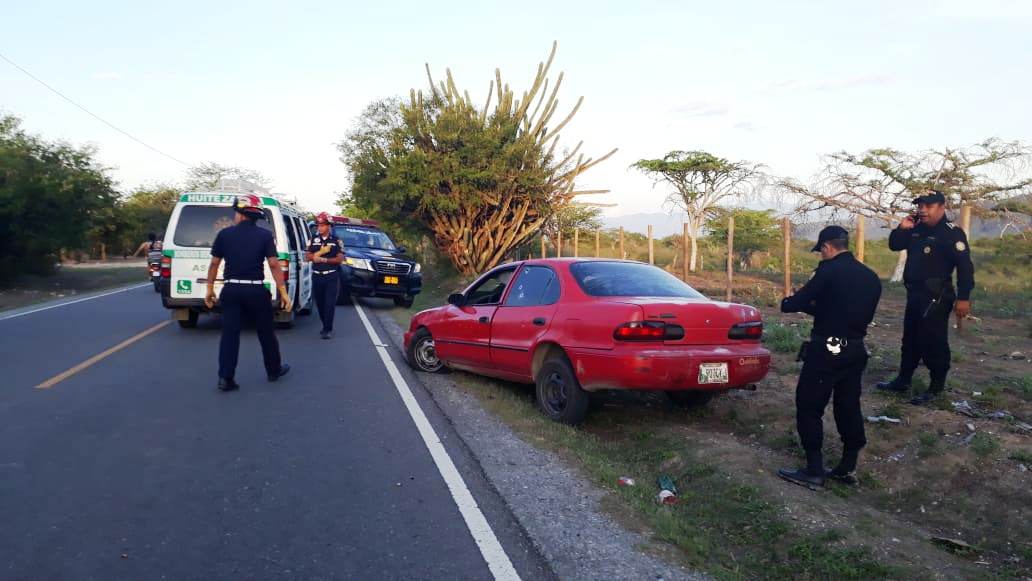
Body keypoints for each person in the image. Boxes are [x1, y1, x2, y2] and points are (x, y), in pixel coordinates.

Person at [777, 226, 882, 488]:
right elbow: (843, 310)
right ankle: (847, 467)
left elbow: (799, 301)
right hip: (855, 348)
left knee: (809, 405)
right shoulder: (871, 277)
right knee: (848, 407)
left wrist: (789, 303)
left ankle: (814, 469)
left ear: (827, 247)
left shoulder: (828, 270)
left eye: (821, 251)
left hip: (829, 347)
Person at [877, 190, 975, 406]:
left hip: (937, 295)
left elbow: (965, 268)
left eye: (928, 206)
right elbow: (894, 245)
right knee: (910, 338)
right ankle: (903, 380)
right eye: (920, 205)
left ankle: (936, 387)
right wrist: (902, 228)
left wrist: (964, 297)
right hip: (915, 293)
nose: (922, 210)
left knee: (933, 341)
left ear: (942, 207)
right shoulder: (916, 229)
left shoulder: (952, 233)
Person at [204, 194, 292, 391]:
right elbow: (273, 264)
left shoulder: (224, 235)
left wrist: (209, 288)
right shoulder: (265, 235)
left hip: (232, 289)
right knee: (266, 332)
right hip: (255, 290)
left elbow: (214, 263)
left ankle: (225, 378)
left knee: (230, 334)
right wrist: (283, 292)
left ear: (241, 214)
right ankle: (273, 370)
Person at [306, 212, 345, 339]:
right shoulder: (313, 240)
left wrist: (324, 260)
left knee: (329, 303)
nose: (320, 228)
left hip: (331, 276)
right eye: (318, 225)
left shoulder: (336, 241)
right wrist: (318, 254)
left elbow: (340, 259)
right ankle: (325, 324)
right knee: (320, 304)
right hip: (317, 276)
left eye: (322, 225)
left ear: (329, 226)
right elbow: (308, 256)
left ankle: (327, 329)